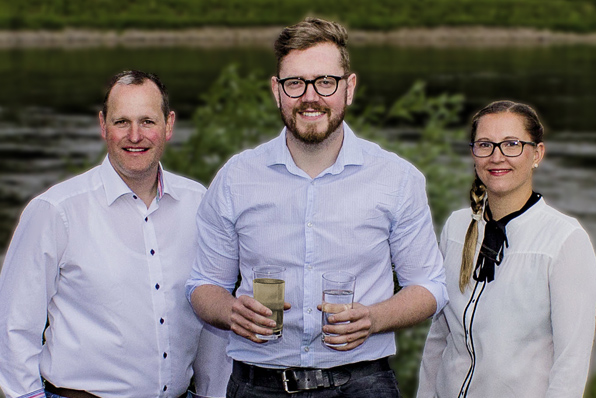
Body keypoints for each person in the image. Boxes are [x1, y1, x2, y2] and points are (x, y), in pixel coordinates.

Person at [186, 17, 447, 398]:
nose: (311, 97)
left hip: (362, 385)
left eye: (325, 82)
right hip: (258, 386)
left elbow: (430, 286)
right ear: (277, 91)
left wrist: (374, 319)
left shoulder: (396, 178)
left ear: (349, 88)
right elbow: (203, 285)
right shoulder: (235, 178)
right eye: (295, 83)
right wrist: (228, 311)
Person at [0, 70, 231, 398]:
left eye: (148, 121)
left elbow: (211, 323)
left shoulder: (199, 205)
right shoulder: (56, 211)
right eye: (122, 121)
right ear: (102, 125)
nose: (135, 135)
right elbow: (12, 328)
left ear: (169, 125)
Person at [417, 100, 596, 397]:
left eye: (512, 144)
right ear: (474, 154)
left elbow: (571, 364)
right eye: (485, 144)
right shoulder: (456, 227)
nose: (497, 157)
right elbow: (439, 336)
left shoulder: (564, 240)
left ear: (537, 153)